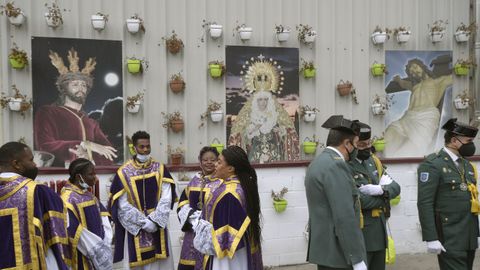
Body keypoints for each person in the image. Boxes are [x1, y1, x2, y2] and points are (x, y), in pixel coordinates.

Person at [34, 48, 117, 167]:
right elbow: (45, 146)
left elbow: (110, 153)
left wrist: (89, 156)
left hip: (89, 175)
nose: (81, 88)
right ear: (64, 89)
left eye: (84, 85)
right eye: (75, 84)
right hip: (60, 174)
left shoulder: (91, 122)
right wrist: (85, 144)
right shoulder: (48, 112)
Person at [305, 115, 367, 270]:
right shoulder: (335, 166)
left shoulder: (318, 163)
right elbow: (344, 216)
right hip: (339, 253)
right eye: (355, 144)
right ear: (346, 143)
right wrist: (356, 258)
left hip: (326, 251)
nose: (355, 149)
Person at [417, 118, 480, 270]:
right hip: (449, 235)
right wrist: (431, 238)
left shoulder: (466, 165)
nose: (472, 145)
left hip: (469, 236)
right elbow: (425, 203)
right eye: (469, 141)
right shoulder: (433, 164)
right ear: (454, 140)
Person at [109, 131, 176, 269]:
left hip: (158, 225)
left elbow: (167, 196)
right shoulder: (124, 172)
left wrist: (155, 221)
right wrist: (143, 222)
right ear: (134, 148)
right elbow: (122, 204)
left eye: (148, 146)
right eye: (141, 146)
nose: (145, 150)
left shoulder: (160, 168)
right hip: (136, 226)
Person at [191, 145, 263, 270]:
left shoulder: (229, 193)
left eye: (219, 162)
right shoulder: (239, 185)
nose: (215, 165)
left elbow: (224, 238)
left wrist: (199, 226)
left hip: (226, 257)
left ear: (230, 168)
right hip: (239, 252)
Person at [0, 141, 68, 269]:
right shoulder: (38, 192)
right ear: (16, 164)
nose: (35, 164)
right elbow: (57, 235)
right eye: (31, 160)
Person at [349, 122, 401, 270]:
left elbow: (396, 187)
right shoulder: (347, 166)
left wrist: (380, 190)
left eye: (368, 143)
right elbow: (359, 200)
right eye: (361, 145)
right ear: (352, 144)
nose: (366, 148)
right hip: (362, 233)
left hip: (379, 232)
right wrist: (384, 198)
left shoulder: (373, 161)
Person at [228, 55, 299, 163]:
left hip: (274, 154)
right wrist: (252, 130)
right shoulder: (247, 112)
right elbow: (238, 134)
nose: (263, 102)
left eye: (265, 99)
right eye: (260, 99)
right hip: (255, 155)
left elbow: (288, 132)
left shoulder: (277, 112)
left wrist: (280, 131)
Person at [384, 58, 452, 157]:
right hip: (407, 118)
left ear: (422, 67)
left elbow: (452, 78)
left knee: (407, 154)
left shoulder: (438, 82)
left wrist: (464, 66)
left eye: (415, 67)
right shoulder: (413, 85)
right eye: (411, 72)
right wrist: (398, 79)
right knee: (388, 138)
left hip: (425, 118)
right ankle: (383, 166)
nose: (414, 72)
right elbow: (402, 83)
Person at [61, 158, 113, 269]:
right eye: (91, 174)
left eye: (95, 173)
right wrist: (96, 249)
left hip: (99, 249)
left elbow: (103, 216)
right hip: (83, 253)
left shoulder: (89, 195)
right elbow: (75, 231)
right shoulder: (68, 199)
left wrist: (106, 242)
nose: (95, 177)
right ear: (78, 177)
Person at [176, 146, 223, 270]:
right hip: (192, 232)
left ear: (218, 161)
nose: (208, 162)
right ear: (200, 161)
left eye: (212, 160)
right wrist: (192, 219)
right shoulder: (194, 181)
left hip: (211, 232)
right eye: (205, 160)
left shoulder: (221, 182)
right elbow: (182, 202)